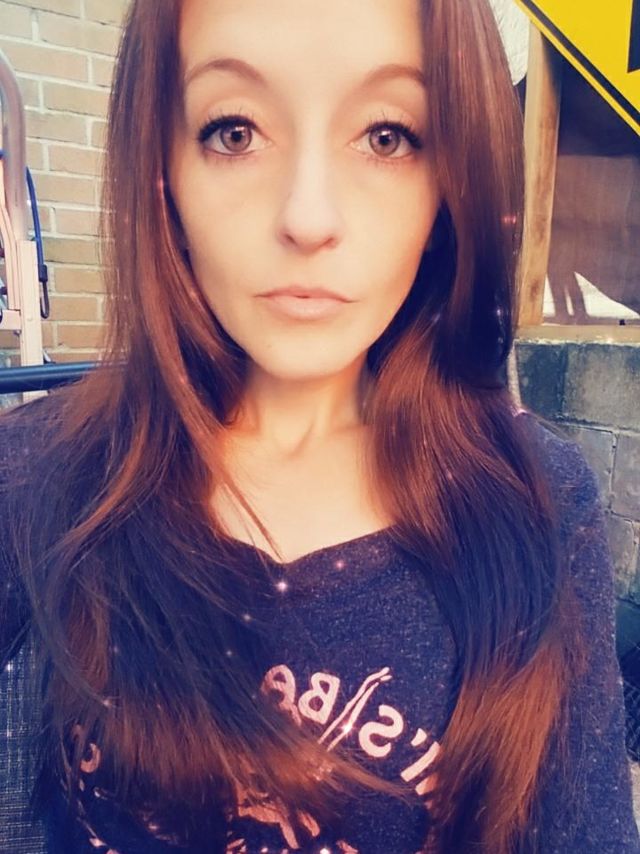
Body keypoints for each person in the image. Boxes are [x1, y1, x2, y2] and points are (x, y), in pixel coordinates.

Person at [0, 0, 638, 851]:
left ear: (450, 184)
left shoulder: (538, 502)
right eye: (234, 132)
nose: (307, 217)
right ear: (162, 171)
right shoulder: (42, 467)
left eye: (387, 136)